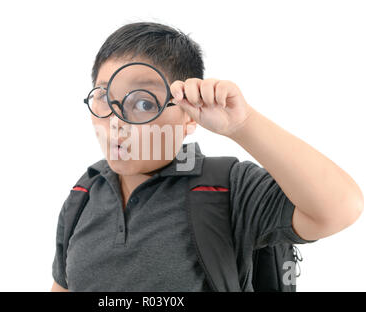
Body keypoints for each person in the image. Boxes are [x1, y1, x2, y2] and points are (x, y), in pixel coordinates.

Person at [51, 22, 363, 292]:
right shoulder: (85, 194)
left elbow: (339, 208)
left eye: (144, 103)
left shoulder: (226, 188)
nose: (117, 123)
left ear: (189, 117)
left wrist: (243, 125)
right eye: (105, 97)